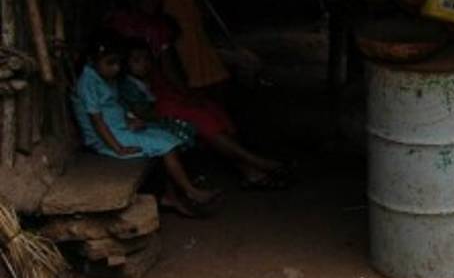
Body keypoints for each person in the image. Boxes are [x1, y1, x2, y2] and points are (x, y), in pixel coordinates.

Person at [72, 32, 219, 216]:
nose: (116, 68)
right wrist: (118, 148)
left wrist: (130, 120)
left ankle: (172, 195)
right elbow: (97, 120)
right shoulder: (88, 82)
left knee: (167, 136)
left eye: (118, 63)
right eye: (110, 63)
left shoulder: (102, 76)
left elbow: (113, 107)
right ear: (92, 60)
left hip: (119, 129)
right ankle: (191, 192)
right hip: (109, 138)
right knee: (166, 146)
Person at [126, 43, 291, 191]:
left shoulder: (152, 77)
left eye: (147, 59)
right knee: (202, 122)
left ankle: (251, 168)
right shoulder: (130, 85)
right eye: (137, 60)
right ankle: (254, 162)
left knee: (211, 112)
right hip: (159, 115)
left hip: (167, 106)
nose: (144, 64)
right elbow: (144, 110)